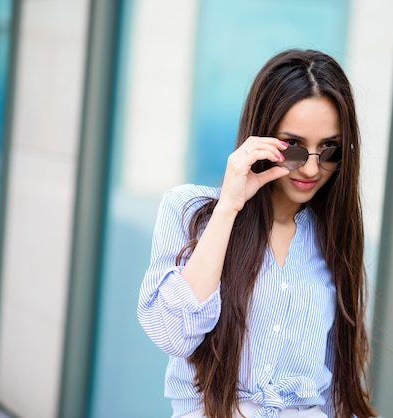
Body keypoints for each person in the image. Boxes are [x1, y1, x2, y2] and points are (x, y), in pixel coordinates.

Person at [138, 49, 376, 418]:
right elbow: (172, 334)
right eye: (293, 148)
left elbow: (338, 391)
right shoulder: (189, 211)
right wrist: (229, 208)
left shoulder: (333, 237)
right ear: (261, 137)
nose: (312, 168)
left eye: (328, 150)